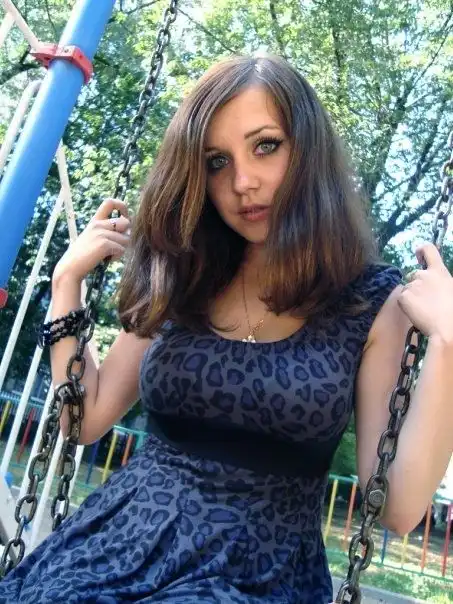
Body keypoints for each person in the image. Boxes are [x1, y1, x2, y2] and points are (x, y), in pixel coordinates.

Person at [1, 54, 453, 604]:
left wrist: (447, 343)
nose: (242, 182)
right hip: (115, 546)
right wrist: (66, 283)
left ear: (308, 150)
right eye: (217, 161)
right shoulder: (187, 271)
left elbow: (398, 508)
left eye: (266, 146)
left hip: (256, 576)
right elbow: (85, 418)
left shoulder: (369, 302)